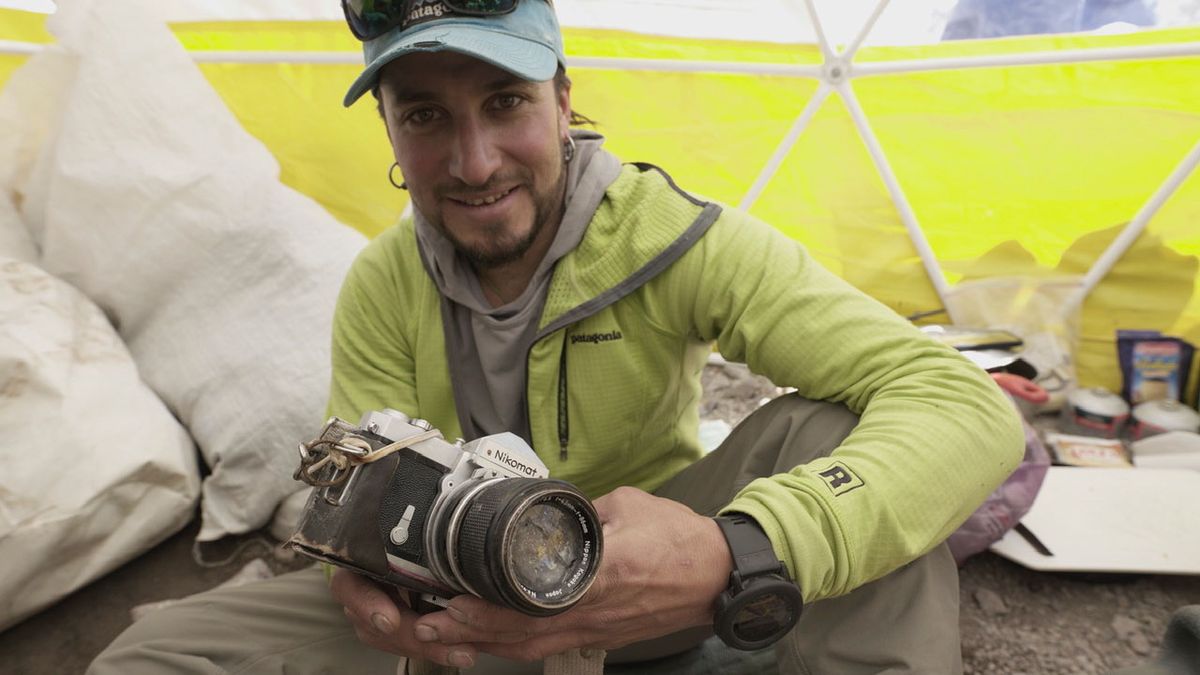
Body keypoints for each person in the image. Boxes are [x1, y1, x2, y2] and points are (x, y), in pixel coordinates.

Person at [89, 1, 1025, 673]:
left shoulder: (675, 238)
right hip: (461, 599)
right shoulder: (383, 277)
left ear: (563, 101)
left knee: (835, 435)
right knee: (157, 649)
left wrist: (739, 549)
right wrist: (357, 574)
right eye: (425, 116)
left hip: (649, 584)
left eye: (504, 102)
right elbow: (359, 483)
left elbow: (965, 407)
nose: (473, 161)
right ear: (390, 128)